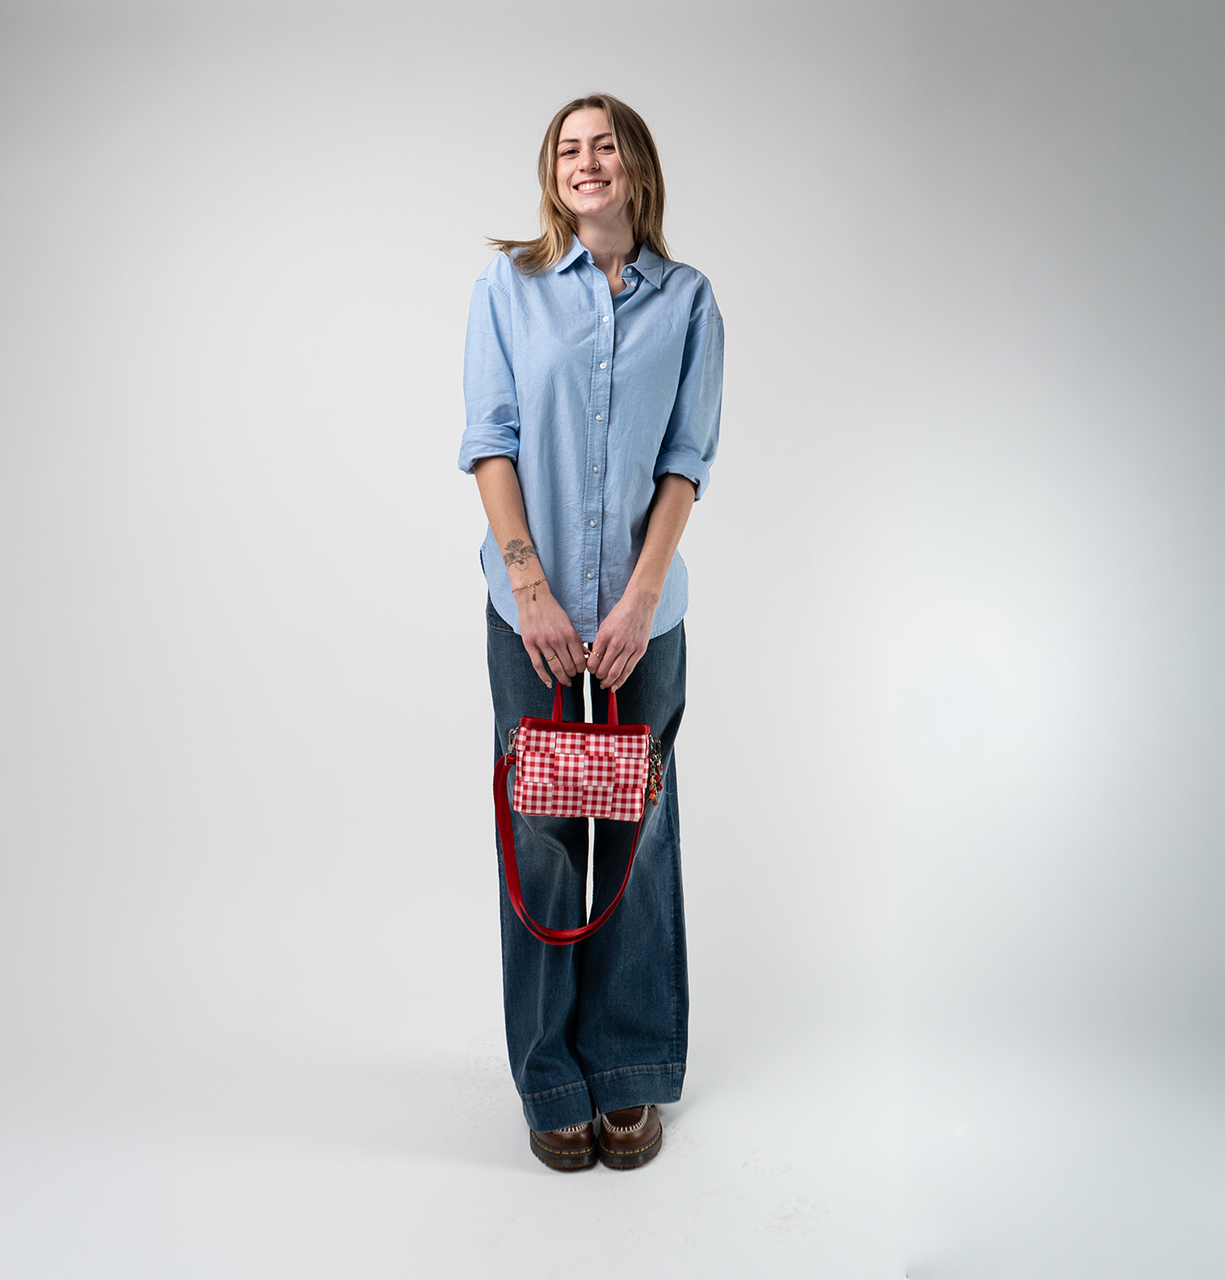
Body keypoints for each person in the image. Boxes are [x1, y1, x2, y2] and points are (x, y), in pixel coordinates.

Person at [458, 93, 723, 1172]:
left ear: (635, 164)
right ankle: (550, 1074)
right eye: (566, 148)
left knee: (637, 834)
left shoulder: (690, 301)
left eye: (601, 143)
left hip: (639, 623)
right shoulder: (507, 289)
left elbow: (685, 461)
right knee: (539, 833)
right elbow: (490, 439)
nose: (584, 161)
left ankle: (630, 1072)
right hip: (529, 618)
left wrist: (634, 599)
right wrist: (530, 585)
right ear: (550, 173)